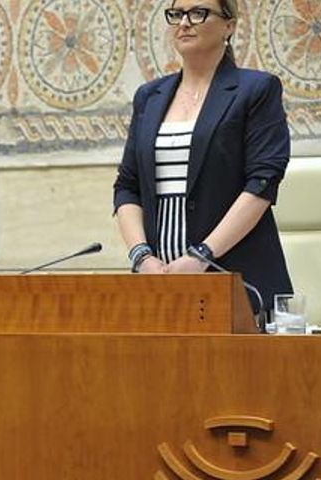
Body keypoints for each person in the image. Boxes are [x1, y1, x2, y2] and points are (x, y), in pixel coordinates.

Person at [113, 0, 292, 315]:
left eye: (198, 13)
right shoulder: (149, 97)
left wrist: (201, 256)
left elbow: (262, 182)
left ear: (229, 25)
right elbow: (127, 186)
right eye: (176, 14)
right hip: (160, 288)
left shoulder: (256, 89)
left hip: (235, 282)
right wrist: (141, 257)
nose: (184, 22)